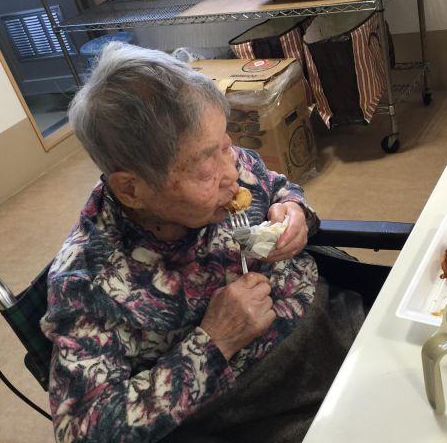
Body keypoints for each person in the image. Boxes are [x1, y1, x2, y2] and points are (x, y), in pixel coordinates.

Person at [41, 42, 365, 443]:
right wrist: (214, 341)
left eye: (225, 144)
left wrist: (294, 209)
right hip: (264, 407)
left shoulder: (225, 161)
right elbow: (84, 430)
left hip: (334, 319)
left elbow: (279, 187)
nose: (232, 171)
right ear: (131, 188)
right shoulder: (91, 281)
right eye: (205, 164)